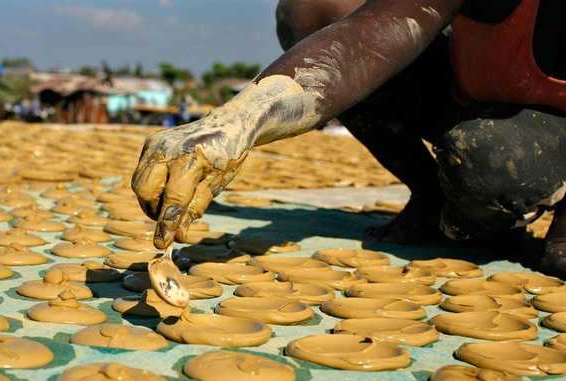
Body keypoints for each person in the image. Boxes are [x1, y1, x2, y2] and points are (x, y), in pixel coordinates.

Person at [131, 0, 566, 277]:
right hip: (472, 91)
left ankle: (493, 214)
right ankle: (433, 196)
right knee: (313, 9)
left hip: (546, 130)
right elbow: (370, 38)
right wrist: (237, 121)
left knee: (489, 161)